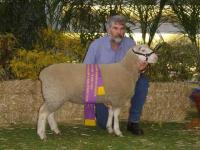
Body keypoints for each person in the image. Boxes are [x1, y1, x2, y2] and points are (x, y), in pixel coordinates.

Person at [83, 15, 148, 135]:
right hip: (103, 86)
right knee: (104, 124)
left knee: (142, 81)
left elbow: (137, 66)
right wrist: (101, 95)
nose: (119, 32)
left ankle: (133, 122)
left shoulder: (130, 44)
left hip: (123, 82)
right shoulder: (96, 45)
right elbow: (87, 70)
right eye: (115, 28)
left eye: (122, 29)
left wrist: (141, 69)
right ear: (108, 30)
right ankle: (104, 115)